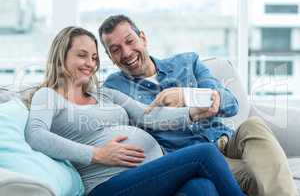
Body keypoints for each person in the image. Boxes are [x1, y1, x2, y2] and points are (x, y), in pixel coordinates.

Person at [25, 26, 244, 196]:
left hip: (147, 176)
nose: (90, 64)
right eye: (82, 55)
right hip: (106, 186)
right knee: (205, 153)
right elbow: (36, 135)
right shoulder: (49, 95)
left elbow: (146, 114)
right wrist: (97, 154)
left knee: (201, 187)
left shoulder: (104, 94)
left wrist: (194, 112)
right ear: (61, 56)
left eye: (94, 58)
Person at [99, 14, 298, 196]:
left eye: (130, 41)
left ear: (143, 38)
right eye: (115, 50)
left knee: (253, 125)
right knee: (256, 175)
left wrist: (187, 96)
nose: (126, 53)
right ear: (110, 57)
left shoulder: (187, 62)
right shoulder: (115, 88)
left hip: (227, 142)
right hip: (192, 157)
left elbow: (229, 103)